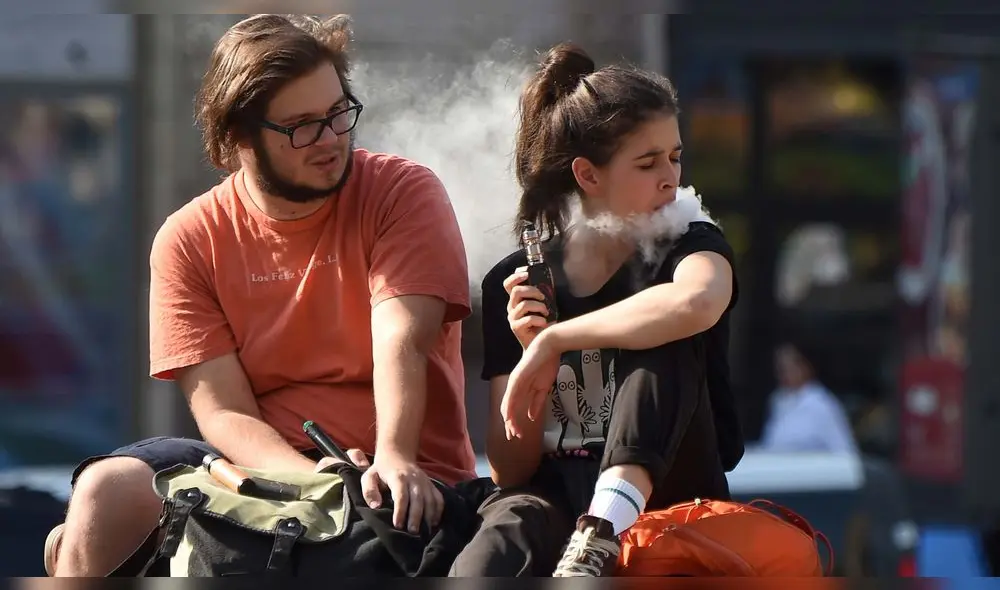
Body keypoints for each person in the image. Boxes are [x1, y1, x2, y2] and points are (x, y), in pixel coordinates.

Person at [45, 14, 478, 577]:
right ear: (237, 140)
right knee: (103, 494)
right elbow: (222, 409)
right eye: (301, 126)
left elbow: (401, 337)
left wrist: (393, 455)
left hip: (403, 475)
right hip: (257, 469)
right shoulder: (189, 238)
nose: (330, 140)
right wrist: (310, 480)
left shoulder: (402, 192)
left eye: (338, 113)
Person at [448, 43, 744, 578]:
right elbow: (511, 469)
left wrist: (556, 341)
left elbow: (695, 301)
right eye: (648, 162)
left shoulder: (691, 245)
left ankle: (603, 528)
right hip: (554, 497)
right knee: (494, 548)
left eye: (675, 157)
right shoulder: (517, 283)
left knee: (660, 328)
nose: (670, 179)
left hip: (671, 501)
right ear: (588, 175)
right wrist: (526, 352)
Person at [759, 343, 857, 453]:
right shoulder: (778, 400)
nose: (783, 374)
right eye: (780, 368)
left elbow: (844, 451)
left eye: (789, 367)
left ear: (805, 367)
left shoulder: (822, 404)